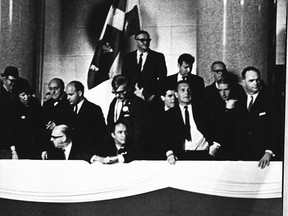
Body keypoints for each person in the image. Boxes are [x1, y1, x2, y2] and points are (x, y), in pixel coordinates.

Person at [163, 80, 221, 164]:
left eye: (188, 90)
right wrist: (169, 153)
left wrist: (216, 145)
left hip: (204, 154)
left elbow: (221, 124)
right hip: (180, 156)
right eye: (182, 90)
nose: (186, 93)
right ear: (176, 94)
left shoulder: (204, 109)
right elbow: (165, 136)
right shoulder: (169, 115)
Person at [233, 66, 278, 168]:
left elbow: (276, 128)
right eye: (251, 80)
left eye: (257, 80)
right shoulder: (239, 102)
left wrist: (269, 152)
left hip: (263, 157)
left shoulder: (270, 101)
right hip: (242, 156)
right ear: (244, 82)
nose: (255, 83)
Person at [107, 75, 147, 159]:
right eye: (115, 92)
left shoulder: (137, 104)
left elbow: (138, 132)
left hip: (132, 152)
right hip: (115, 150)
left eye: (122, 92)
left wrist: (127, 153)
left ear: (128, 89)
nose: (118, 95)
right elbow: (110, 125)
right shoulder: (113, 103)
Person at [122, 30, 167, 101]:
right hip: (132, 97)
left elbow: (163, 79)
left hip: (151, 98)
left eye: (148, 40)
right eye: (142, 40)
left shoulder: (158, 57)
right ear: (135, 41)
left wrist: (155, 96)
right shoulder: (127, 58)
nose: (146, 42)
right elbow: (124, 78)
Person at [66, 80, 106, 155]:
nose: (68, 98)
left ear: (80, 93)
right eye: (67, 95)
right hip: (72, 153)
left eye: (71, 95)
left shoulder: (94, 109)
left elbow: (100, 134)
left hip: (88, 153)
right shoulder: (68, 109)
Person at [41, 78, 74, 159]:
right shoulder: (47, 104)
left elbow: (71, 121)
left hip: (64, 145)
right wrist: (44, 149)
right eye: (51, 89)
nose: (53, 92)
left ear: (62, 88)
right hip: (50, 145)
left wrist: (56, 124)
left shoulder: (70, 102)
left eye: (56, 88)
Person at [12, 78, 42, 159]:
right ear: (17, 95)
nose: (26, 97)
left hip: (35, 146)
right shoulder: (13, 107)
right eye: (23, 95)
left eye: (28, 94)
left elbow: (40, 126)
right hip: (20, 147)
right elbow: (11, 130)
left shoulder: (35, 103)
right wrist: (13, 151)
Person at [145, 85, 176, 159]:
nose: (173, 99)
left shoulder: (180, 113)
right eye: (170, 96)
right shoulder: (154, 115)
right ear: (163, 98)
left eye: (175, 96)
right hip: (158, 154)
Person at [0, 66, 19, 154]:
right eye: (11, 81)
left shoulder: (12, 94)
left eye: (15, 81)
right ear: (4, 79)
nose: (13, 84)